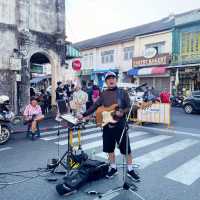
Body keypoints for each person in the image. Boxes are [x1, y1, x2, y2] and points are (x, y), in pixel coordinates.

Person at [78, 72, 140, 181]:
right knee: (109, 149)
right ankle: (113, 168)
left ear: (116, 80)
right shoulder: (104, 94)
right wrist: (83, 115)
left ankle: (130, 170)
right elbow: (95, 106)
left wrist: (123, 112)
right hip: (107, 125)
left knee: (126, 150)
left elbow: (130, 107)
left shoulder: (123, 92)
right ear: (106, 82)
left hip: (120, 125)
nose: (111, 80)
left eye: (113, 78)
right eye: (108, 79)